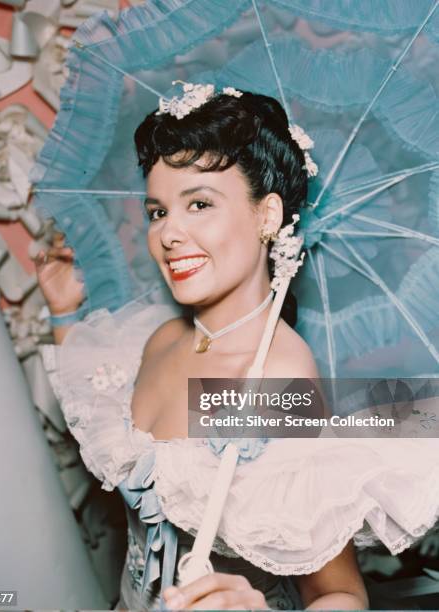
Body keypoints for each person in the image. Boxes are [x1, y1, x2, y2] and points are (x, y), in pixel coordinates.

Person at [35, 87, 437, 610]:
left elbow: (340, 594)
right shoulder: (160, 338)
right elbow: (99, 407)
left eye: (199, 204)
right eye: (158, 211)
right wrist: (65, 312)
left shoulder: (277, 384)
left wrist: (257, 608)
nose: (169, 234)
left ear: (267, 215)